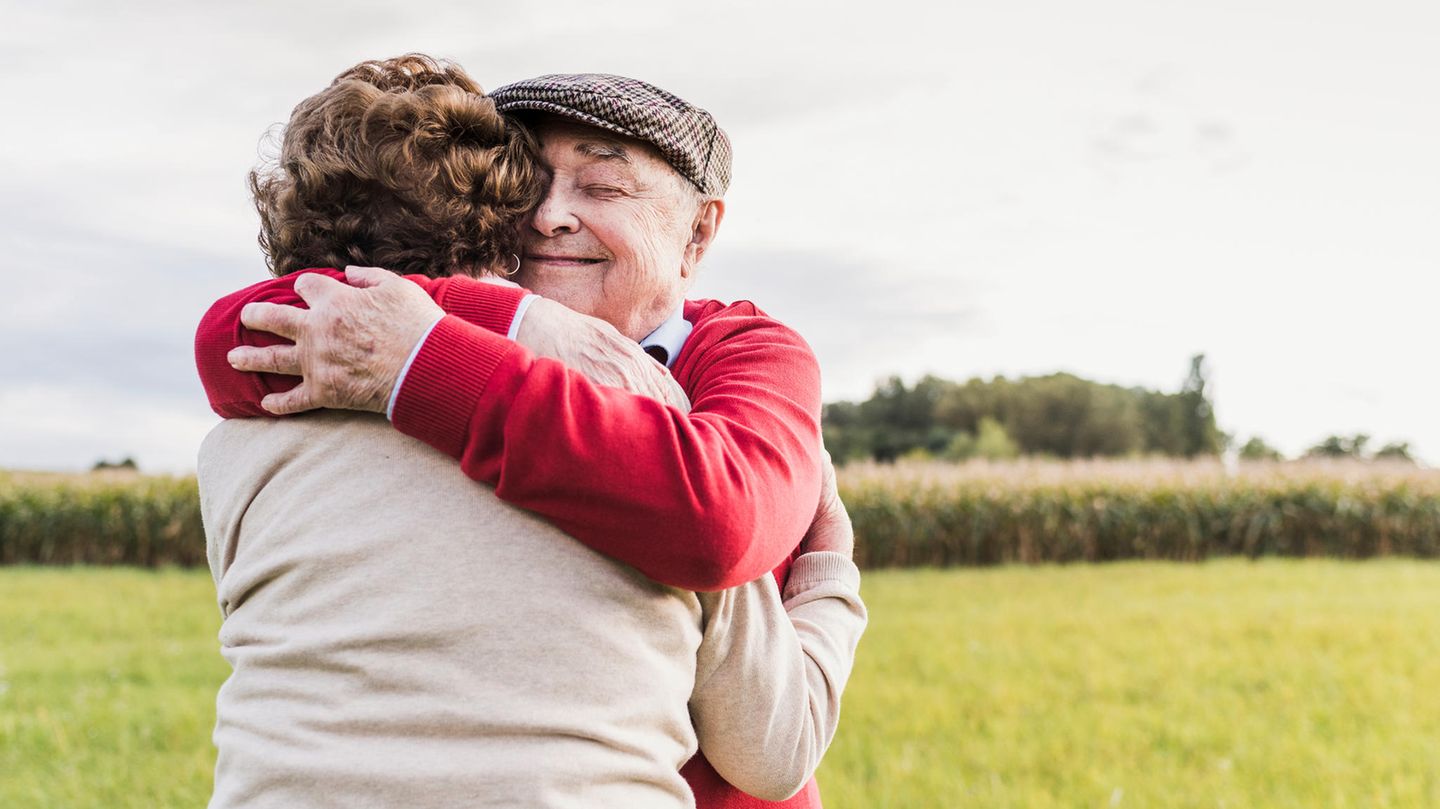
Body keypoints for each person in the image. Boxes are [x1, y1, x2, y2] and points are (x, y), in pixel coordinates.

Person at [196, 56, 864, 809]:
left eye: (604, 186)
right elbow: (236, 331)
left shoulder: (734, 371)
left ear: (698, 234)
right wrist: (493, 326)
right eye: (530, 188)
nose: (550, 217)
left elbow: (720, 517)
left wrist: (423, 358)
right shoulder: (373, 348)